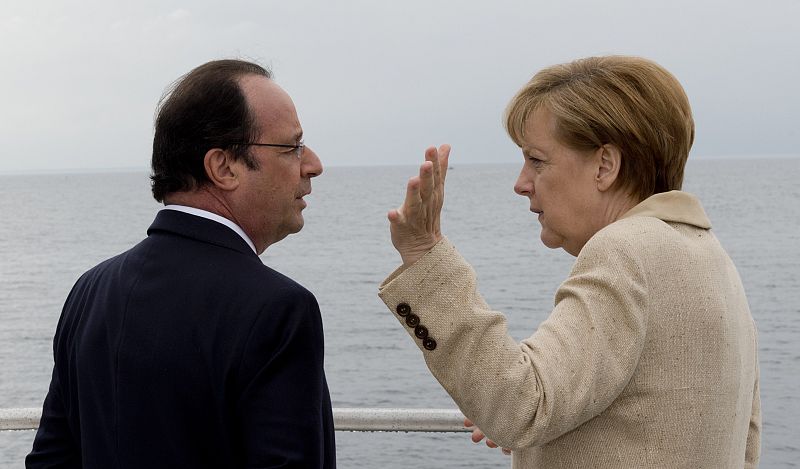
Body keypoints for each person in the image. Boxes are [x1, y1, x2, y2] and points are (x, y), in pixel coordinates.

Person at [379, 56, 760, 468]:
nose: (521, 183)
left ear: (605, 166)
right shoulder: (711, 257)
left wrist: (424, 253)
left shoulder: (627, 250)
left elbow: (519, 406)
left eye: (537, 160)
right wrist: (540, 437)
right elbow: (744, 443)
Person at [27, 59, 335, 468]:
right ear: (223, 167)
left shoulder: (90, 290)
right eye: (292, 147)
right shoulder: (277, 308)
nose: (313, 163)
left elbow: (51, 460)